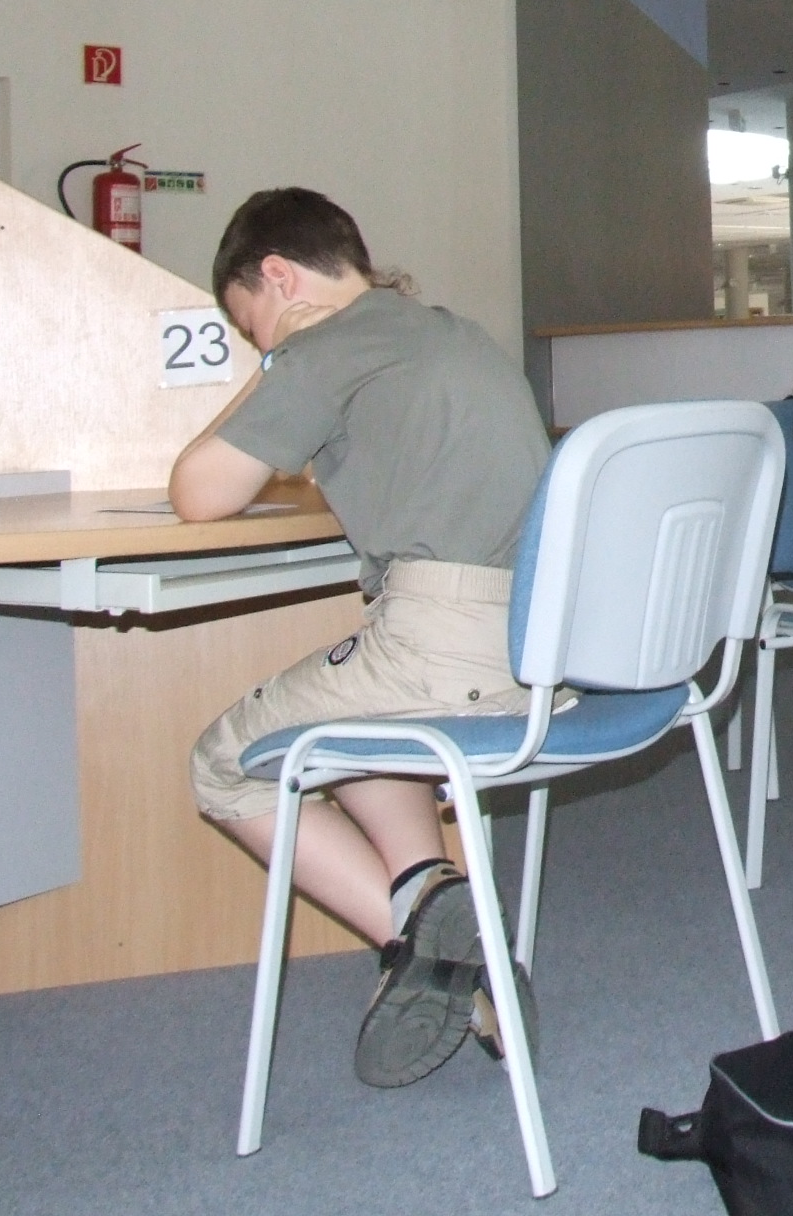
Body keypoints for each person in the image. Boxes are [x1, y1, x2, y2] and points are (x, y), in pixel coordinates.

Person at [176, 188, 550, 1089]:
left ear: (278, 276)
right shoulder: (447, 330)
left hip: (447, 644)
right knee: (353, 719)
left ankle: (434, 952)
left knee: (222, 767)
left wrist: (277, 365)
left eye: (251, 324)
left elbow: (197, 491)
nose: (260, 344)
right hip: (539, 645)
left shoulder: (328, 344)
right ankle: (433, 891)